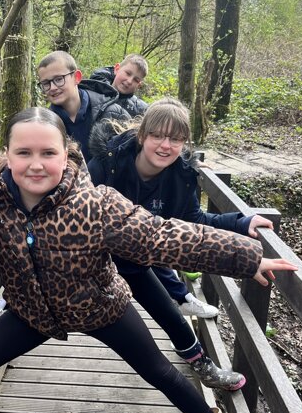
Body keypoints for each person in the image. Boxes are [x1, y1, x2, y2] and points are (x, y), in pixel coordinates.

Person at [0, 107, 296, 413]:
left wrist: (246, 257)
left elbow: (163, 236)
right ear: (7, 155)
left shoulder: (96, 205)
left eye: (48, 153)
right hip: (34, 313)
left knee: (162, 372)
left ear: (66, 154)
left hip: (102, 306)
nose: (36, 164)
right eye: (24, 153)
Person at [0, 50, 132, 330]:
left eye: (58, 79)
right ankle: (9, 303)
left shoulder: (111, 110)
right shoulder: (46, 122)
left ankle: (187, 337)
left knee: (141, 273)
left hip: (112, 205)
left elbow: (139, 146)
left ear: (76, 77)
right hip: (67, 207)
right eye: (45, 83)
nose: (52, 87)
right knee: (33, 255)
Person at [88, 97, 276, 320]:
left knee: (179, 329)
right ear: (142, 135)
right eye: (157, 136)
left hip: (140, 262)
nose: (166, 145)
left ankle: (183, 301)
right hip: (99, 264)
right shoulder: (107, 164)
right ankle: (181, 297)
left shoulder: (181, 176)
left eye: (175, 139)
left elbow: (195, 220)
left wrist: (241, 222)